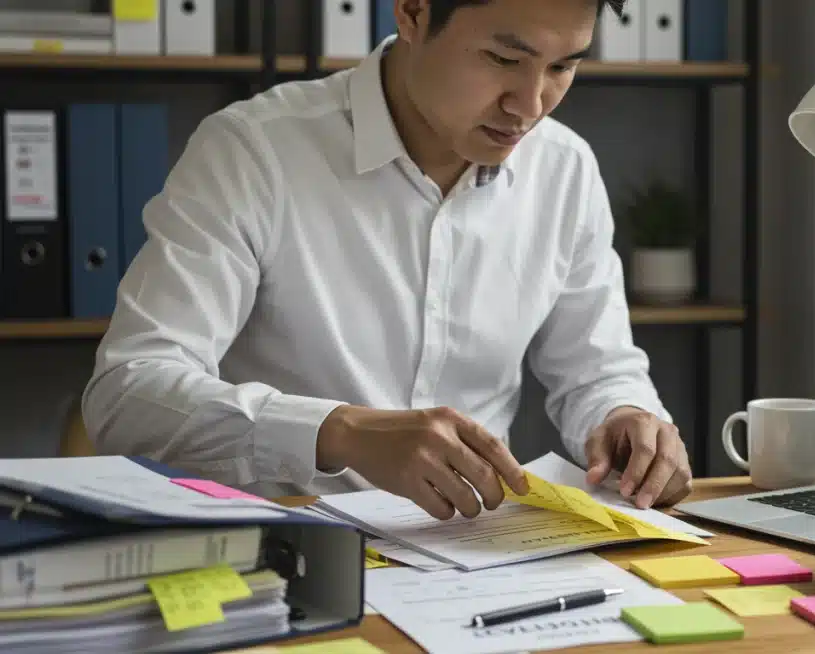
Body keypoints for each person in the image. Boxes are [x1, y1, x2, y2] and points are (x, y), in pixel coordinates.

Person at [80, 0, 694, 520]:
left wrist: (626, 417)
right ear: (412, 12)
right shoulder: (254, 151)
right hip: (285, 547)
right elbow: (129, 392)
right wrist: (337, 431)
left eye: (563, 66)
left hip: (478, 555)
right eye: (505, 60)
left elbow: (595, 367)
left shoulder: (565, 168)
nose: (530, 105)